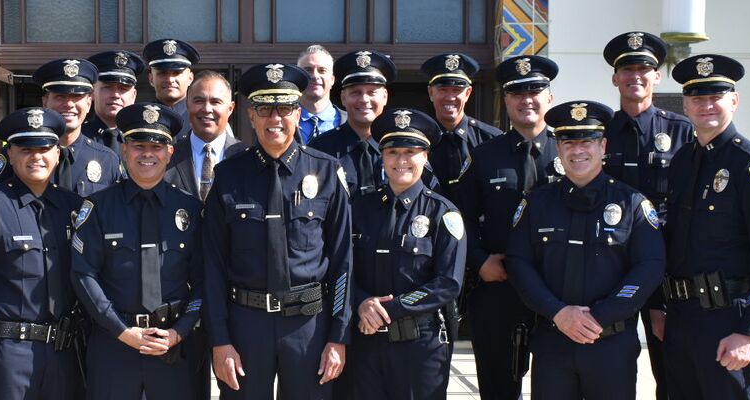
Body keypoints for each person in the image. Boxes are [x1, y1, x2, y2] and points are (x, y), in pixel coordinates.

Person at [204, 63, 352, 399]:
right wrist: (220, 339)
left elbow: (343, 260)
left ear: (298, 113)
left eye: (284, 108)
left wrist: (338, 336)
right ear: (251, 116)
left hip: (308, 325)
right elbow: (212, 264)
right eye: (264, 109)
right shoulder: (228, 176)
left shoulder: (327, 172)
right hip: (245, 325)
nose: (275, 119)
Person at [506, 100, 666, 400]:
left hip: (611, 345)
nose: (577, 150)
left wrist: (600, 316)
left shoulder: (632, 204)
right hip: (553, 342)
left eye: (587, 141)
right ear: (558, 146)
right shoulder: (537, 204)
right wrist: (558, 312)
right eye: (568, 141)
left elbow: (650, 266)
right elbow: (519, 264)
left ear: (603, 145)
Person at [663, 54, 750, 400]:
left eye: (715, 97)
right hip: (682, 318)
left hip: (727, 321)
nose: (706, 106)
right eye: (697, 98)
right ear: (685, 105)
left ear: (734, 100)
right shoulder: (684, 161)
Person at [0, 107, 85, 399]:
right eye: (26, 149)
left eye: (45, 148)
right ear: (10, 155)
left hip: (64, 351)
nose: (36, 156)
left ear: (58, 154)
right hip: (7, 353)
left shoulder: (73, 207)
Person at [71, 103, 205, 399]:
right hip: (114, 344)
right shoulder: (98, 208)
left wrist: (179, 331)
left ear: (170, 152)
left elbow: (204, 279)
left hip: (172, 345)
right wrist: (121, 330)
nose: (147, 154)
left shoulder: (190, 209)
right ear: (124, 150)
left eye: (157, 146)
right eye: (138, 145)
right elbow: (84, 275)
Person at [450, 55, 561, 400]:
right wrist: (480, 261)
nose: (526, 99)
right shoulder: (484, 156)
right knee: (499, 386)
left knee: (557, 384)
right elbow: (459, 218)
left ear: (549, 98)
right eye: (517, 92)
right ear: (506, 100)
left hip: (558, 290)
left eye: (535, 90)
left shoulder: (570, 149)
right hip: (500, 288)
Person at [600, 31, 695, 399]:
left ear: (658, 76)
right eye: (626, 69)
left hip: (666, 272)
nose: (635, 75)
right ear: (614, 77)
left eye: (645, 68)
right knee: (608, 370)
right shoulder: (599, 133)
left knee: (670, 372)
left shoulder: (682, 132)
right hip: (609, 269)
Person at [346, 108, 466, 400]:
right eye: (393, 152)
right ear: (382, 157)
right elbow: (341, 269)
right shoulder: (358, 209)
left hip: (419, 347)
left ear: (425, 157)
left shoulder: (443, 213)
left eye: (411, 151)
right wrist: (361, 302)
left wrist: (390, 309)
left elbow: (447, 283)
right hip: (365, 343)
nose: (401, 160)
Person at [310, 50, 404, 196]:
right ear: (343, 98)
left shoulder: (403, 148)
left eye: (372, 92)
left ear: (385, 97)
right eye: (356, 92)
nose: (364, 99)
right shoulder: (319, 149)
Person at [419, 52, 504, 199]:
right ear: (430, 92)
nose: (450, 97)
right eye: (442, 90)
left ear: (468, 93)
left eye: (457, 90)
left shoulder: (491, 138)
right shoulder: (418, 139)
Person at [33, 58, 123, 196]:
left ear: (88, 103)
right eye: (60, 96)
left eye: (77, 96)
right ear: (45, 102)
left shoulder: (107, 159)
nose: (69, 104)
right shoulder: (23, 156)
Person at [163, 70, 246, 199]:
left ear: (230, 108)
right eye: (199, 101)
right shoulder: (167, 159)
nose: (207, 109)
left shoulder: (246, 158)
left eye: (215, 102)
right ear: (187, 105)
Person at [83, 50, 145, 159]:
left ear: (134, 95)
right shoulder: (79, 137)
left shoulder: (143, 139)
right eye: (107, 87)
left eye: (123, 88)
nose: (115, 95)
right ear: (92, 92)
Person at [143, 38, 200, 132]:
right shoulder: (141, 118)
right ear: (151, 79)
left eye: (177, 73)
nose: (170, 80)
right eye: (162, 73)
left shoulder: (202, 117)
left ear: (190, 78)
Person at [296, 45, 345, 144]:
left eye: (322, 70)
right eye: (308, 70)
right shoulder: (283, 121)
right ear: (298, 78)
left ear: (332, 79)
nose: (315, 76)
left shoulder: (349, 122)